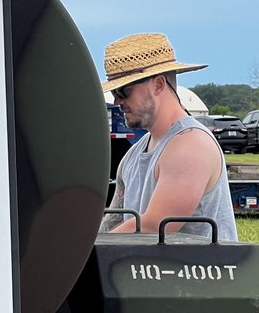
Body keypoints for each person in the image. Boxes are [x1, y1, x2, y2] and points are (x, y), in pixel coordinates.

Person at [99, 33, 237, 240]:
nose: (117, 101)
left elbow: (155, 226)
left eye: (124, 91)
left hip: (194, 271)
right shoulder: (133, 154)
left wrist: (88, 252)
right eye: (114, 93)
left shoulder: (191, 145)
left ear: (159, 84)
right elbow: (115, 221)